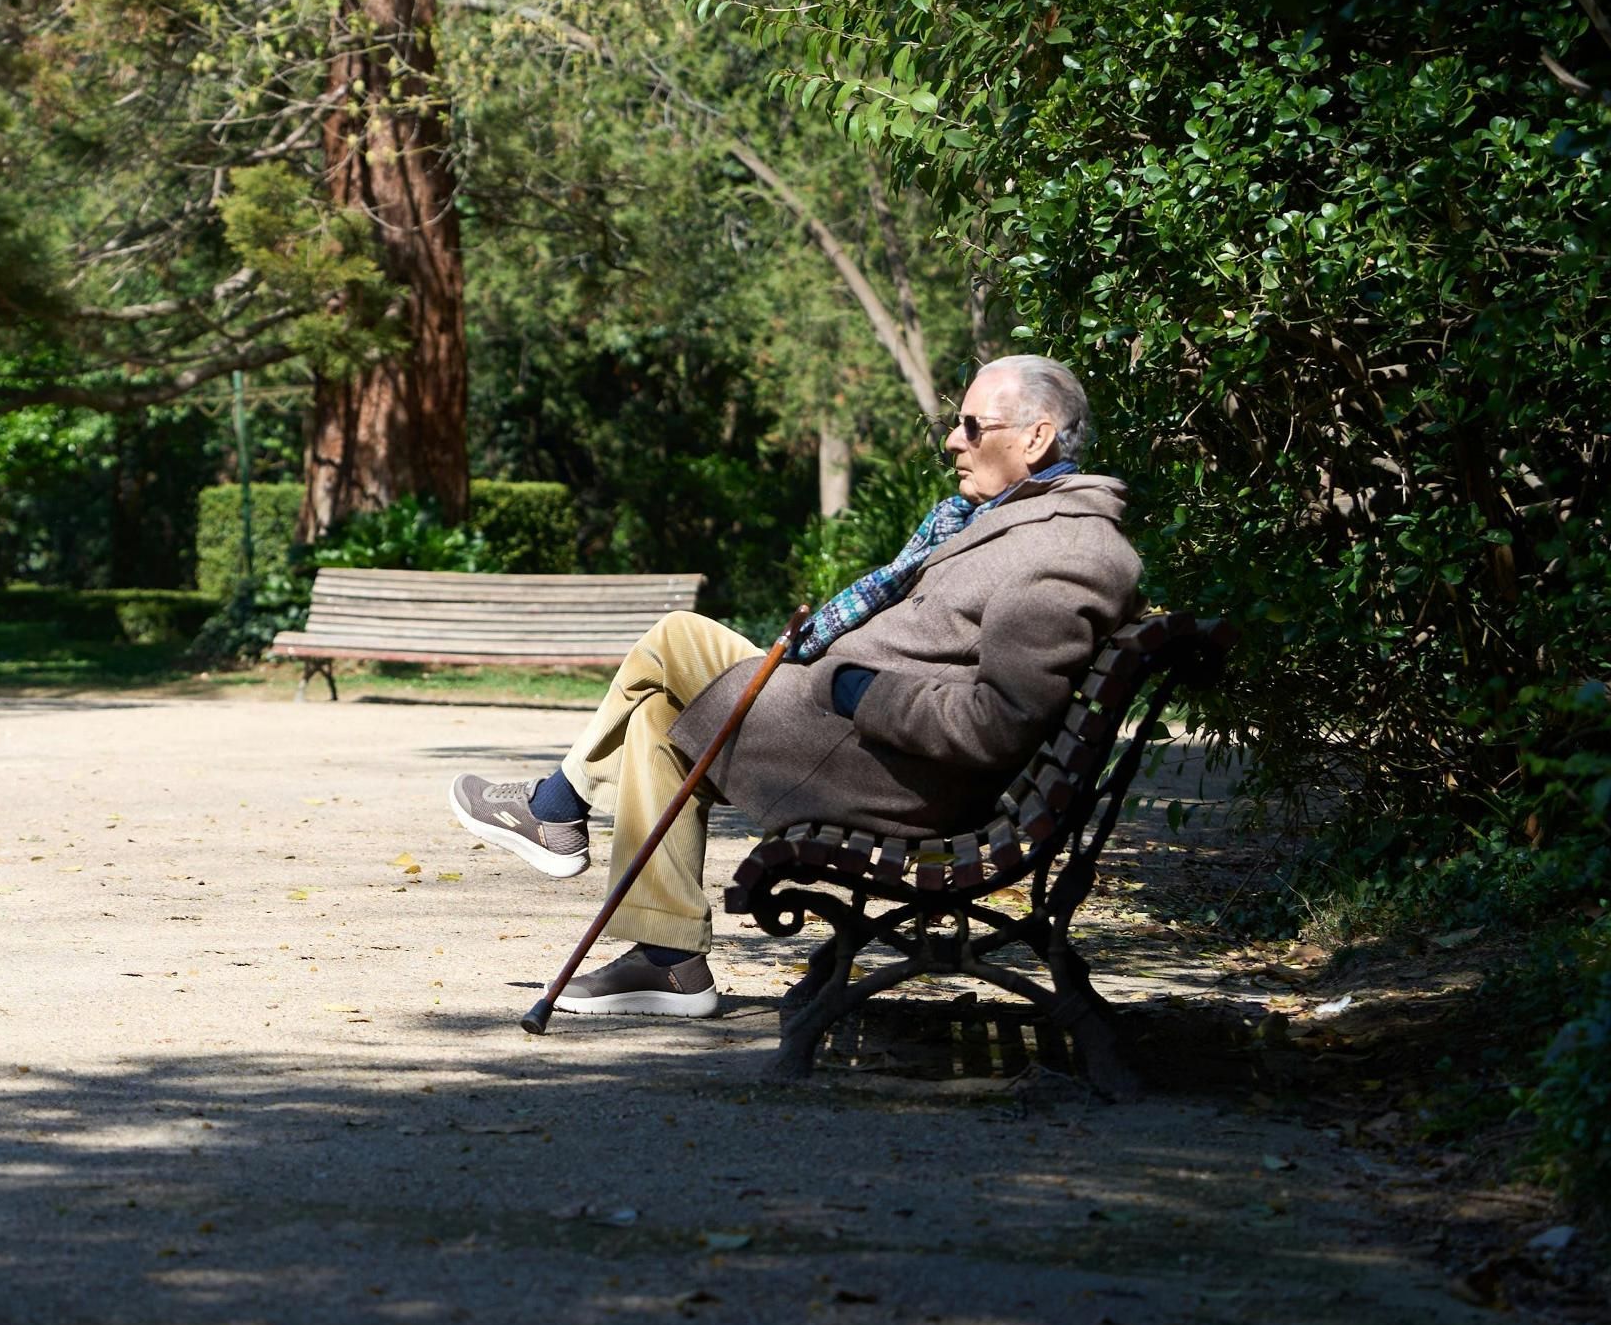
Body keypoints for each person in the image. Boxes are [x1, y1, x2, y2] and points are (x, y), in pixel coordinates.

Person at [448, 355, 1142, 1016]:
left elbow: (996, 722)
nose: (953, 444)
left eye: (970, 427)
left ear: (1037, 437)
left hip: (884, 766)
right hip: (842, 730)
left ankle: (556, 809)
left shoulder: (1068, 550)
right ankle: (667, 958)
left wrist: (855, 690)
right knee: (658, 717)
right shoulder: (1003, 521)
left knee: (676, 638)